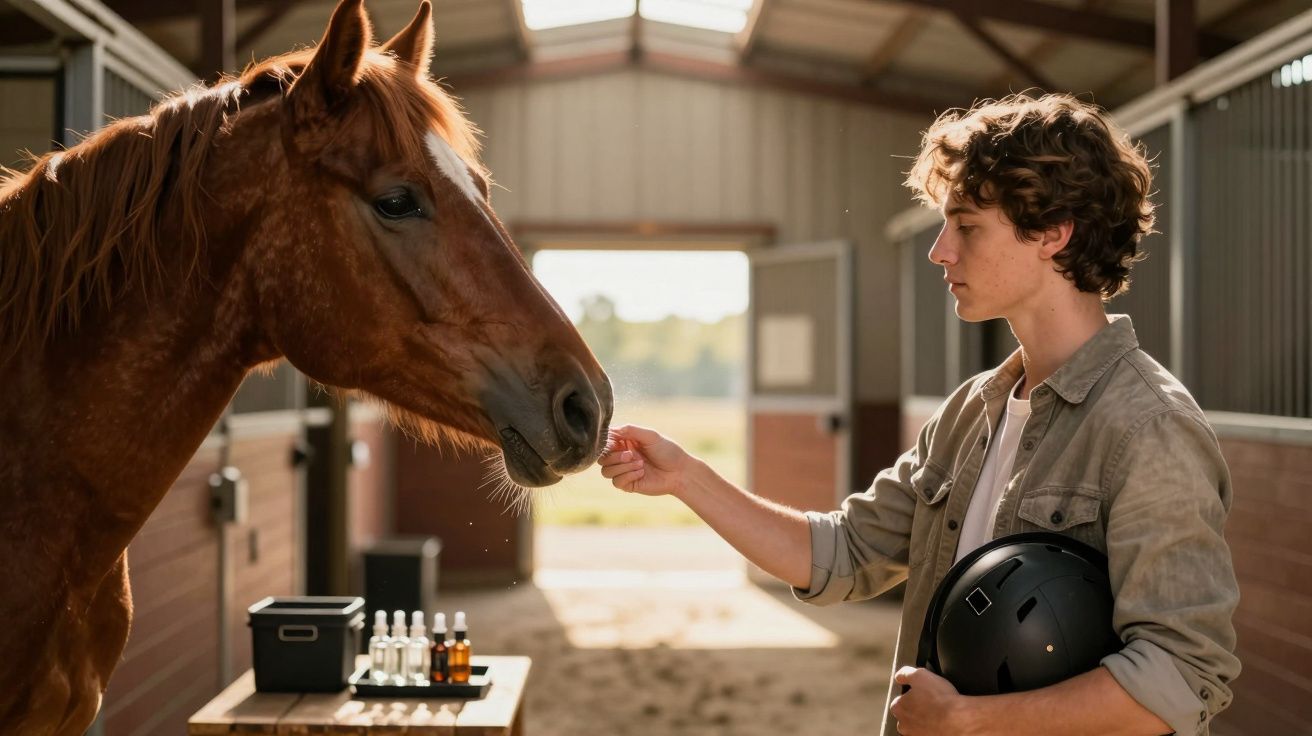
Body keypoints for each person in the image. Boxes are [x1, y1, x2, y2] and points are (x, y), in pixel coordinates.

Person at [599, 92, 1239, 736]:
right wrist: (685, 477)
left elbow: (1180, 677)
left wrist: (970, 720)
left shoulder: (1151, 428)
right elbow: (843, 554)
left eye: (966, 225)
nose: (940, 250)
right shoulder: (970, 411)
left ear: (1053, 232)